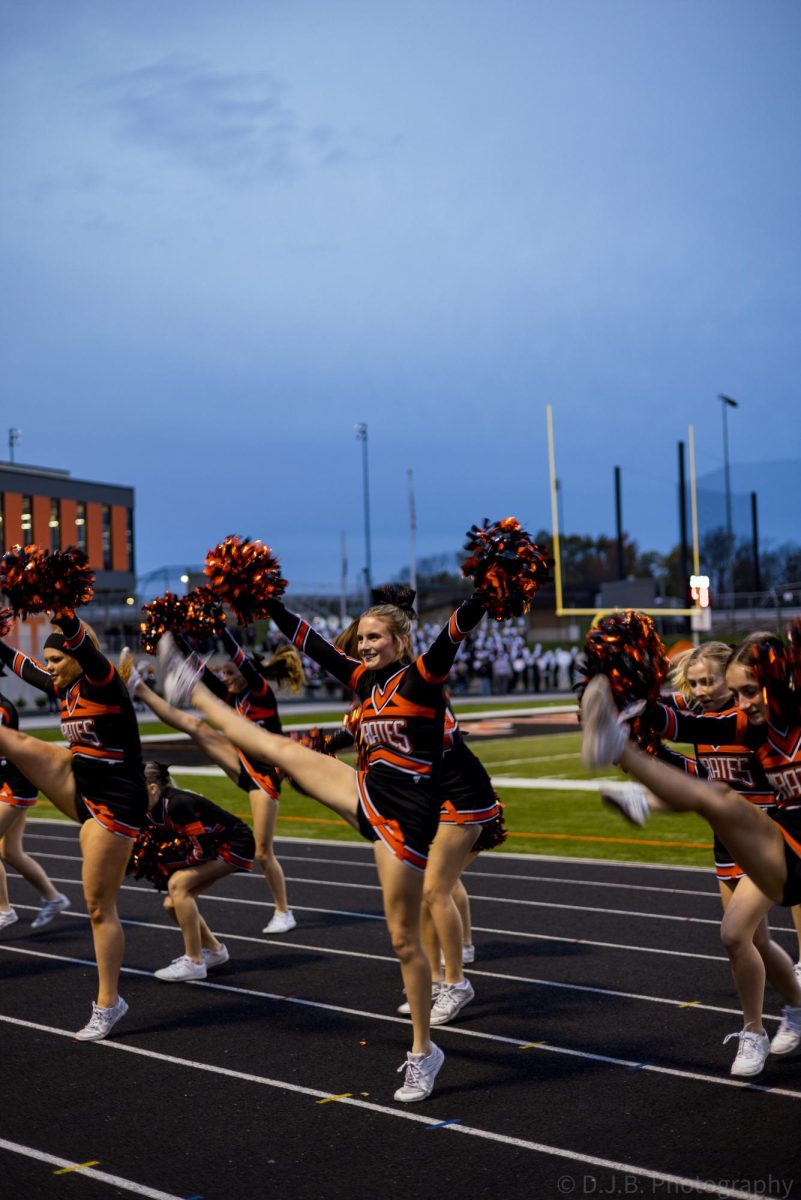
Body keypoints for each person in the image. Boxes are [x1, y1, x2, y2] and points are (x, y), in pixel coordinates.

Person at [157, 585, 489, 1103]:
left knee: (404, 942)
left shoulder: (423, 679)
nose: (364, 646)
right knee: (275, 748)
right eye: (362, 638)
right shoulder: (363, 683)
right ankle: (191, 688)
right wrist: (269, 606)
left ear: (401, 641)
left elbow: (453, 635)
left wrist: (480, 596)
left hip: (406, 820)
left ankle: (424, 1052)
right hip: (364, 793)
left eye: (376, 637)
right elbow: (316, 646)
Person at [581, 630, 801, 1078]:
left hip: (777, 840)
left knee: (735, 928)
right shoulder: (743, 722)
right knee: (749, 939)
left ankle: (758, 1028)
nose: (742, 701)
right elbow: (688, 726)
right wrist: (628, 693)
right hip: (762, 841)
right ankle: (794, 1009)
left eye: (747, 690)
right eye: (736, 692)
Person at [0, 610, 147, 1040]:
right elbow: (20, 664)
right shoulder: (61, 685)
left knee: (99, 907)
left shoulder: (103, 682)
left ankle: (109, 1003)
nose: (50, 666)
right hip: (80, 781)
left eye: (57, 659)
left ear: (80, 658)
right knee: (15, 740)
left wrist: (60, 605)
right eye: (47, 659)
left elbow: (80, 642)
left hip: (117, 800)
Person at [123, 627, 303, 935]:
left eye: (231, 672)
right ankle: (138, 687)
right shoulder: (232, 695)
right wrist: (175, 638)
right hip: (242, 764)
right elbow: (203, 674)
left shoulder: (260, 691)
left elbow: (238, 657)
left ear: (247, 673)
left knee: (262, 851)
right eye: (225, 673)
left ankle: (283, 911)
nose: (226, 677)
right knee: (194, 725)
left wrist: (220, 629)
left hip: (265, 777)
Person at [130, 762, 255, 981]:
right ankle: (214, 951)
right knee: (172, 904)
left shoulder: (176, 804)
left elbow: (204, 850)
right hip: (215, 846)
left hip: (235, 844)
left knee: (179, 886)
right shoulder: (150, 809)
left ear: (152, 788)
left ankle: (194, 961)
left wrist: (170, 863)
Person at [0, 687, 71, 932]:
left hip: (15, 781)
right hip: (9, 779)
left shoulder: (2, 708)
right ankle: (53, 897)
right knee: (9, 851)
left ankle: (4, 910)